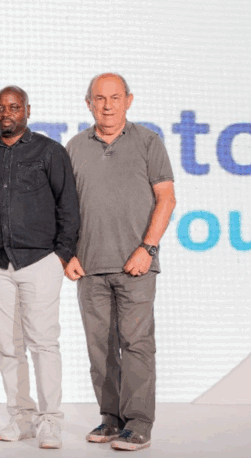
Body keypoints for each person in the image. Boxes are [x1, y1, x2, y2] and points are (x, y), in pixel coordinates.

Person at [0, 86, 79, 449]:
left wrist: (61, 256)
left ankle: (50, 420)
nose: (6, 113)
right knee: (8, 346)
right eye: (0, 107)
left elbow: (68, 206)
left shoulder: (49, 151)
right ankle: (22, 417)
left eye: (13, 107)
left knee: (43, 343)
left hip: (39, 261)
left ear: (27, 109)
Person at [65, 73, 176, 451]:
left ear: (129, 100)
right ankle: (111, 419)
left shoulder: (148, 142)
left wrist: (148, 248)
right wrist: (68, 254)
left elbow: (166, 198)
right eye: (100, 98)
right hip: (89, 267)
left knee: (136, 344)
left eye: (115, 97)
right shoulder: (75, 147)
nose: (107, 105)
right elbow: (65, 208)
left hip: (136, 266)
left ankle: (139, 423)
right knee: (100, 349)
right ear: (89, 104)